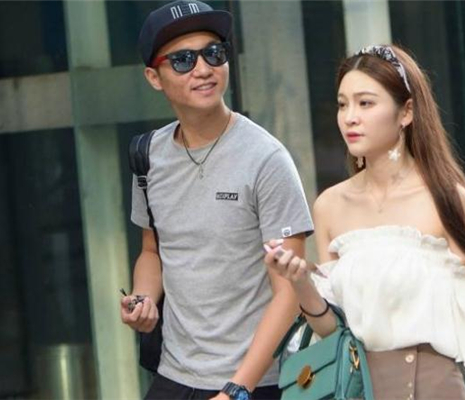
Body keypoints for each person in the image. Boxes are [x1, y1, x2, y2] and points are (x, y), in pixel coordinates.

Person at [265, 44, 465, 400]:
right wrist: (300, 283)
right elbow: (332, 331)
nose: (350, 117)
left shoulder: (447, 199)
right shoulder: (330, 205)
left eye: (365, 103)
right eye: (342, 104)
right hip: (360, 388)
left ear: (406, 112)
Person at [120, 1, 314, 399]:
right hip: (173, 375)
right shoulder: (147, 156)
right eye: (183, 60)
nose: (203, 69)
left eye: (213, 53)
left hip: (254, 383)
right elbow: (153, 250)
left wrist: (236, 390)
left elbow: (290, 292)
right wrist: (144, 299)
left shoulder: (266, 158)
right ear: (154, 77)